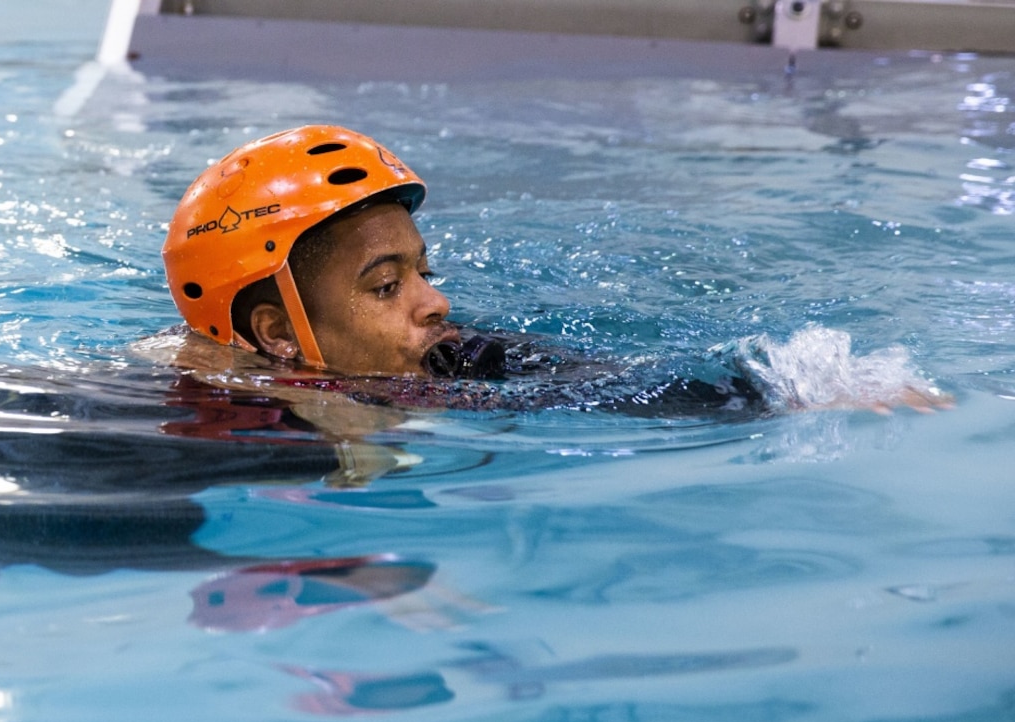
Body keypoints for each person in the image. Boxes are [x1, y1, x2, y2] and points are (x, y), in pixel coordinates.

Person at [161, 125, 950, 419]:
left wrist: (794, 385)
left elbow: (616, 385)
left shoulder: (448, 358)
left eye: (423, 270)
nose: (435, 303)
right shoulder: (199, 427)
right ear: (276, 335)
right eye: (385, 285)